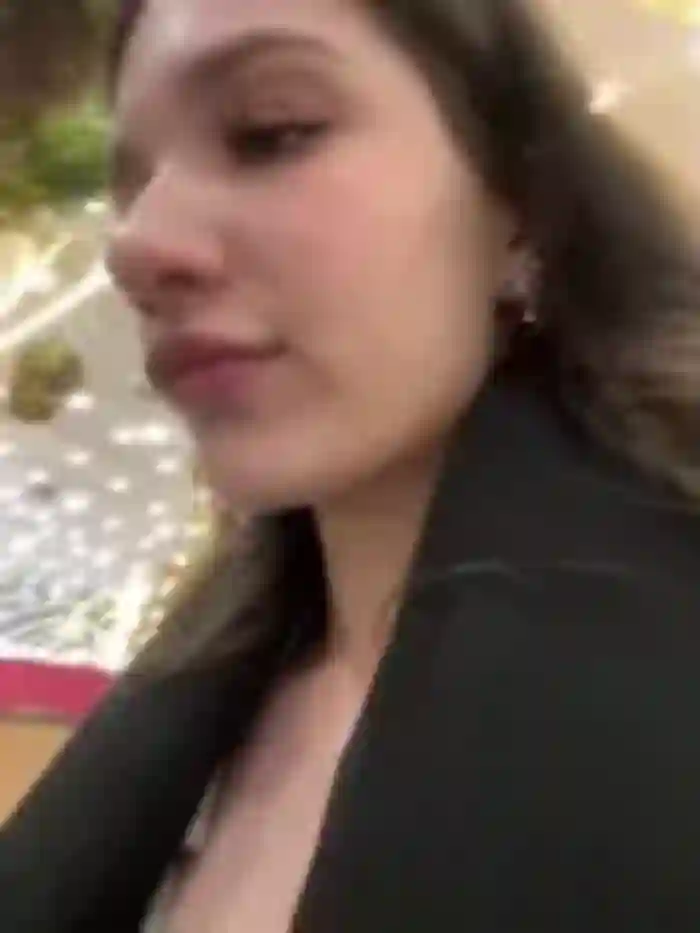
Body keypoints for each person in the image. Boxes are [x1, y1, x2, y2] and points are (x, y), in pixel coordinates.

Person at [3, 0, 700, 929]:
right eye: (133, 188)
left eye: (271, 133)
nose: (135, 244)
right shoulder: (192, 715)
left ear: (520, 210)